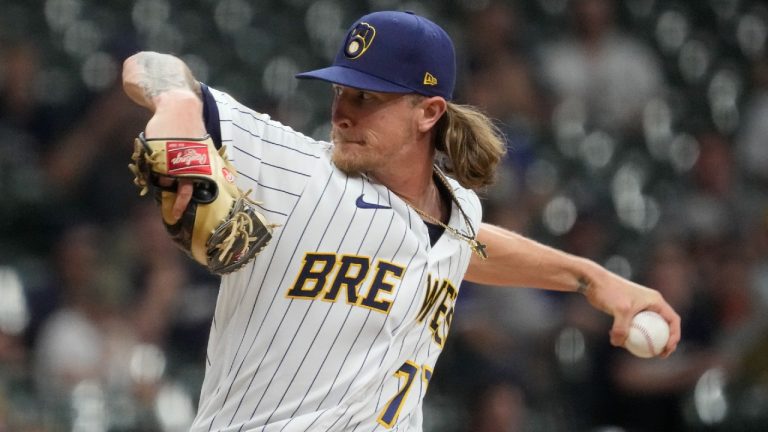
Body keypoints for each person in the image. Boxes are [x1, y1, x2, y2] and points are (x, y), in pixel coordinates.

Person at [121, 10, 680, 431]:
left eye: (366, 98)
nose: (342, 112)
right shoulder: (299, 171)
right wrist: (180, 106)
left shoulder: (458, 212)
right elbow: (151, 68)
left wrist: (592, 279)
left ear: (429, 112)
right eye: (339, 91)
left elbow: (466, 245)